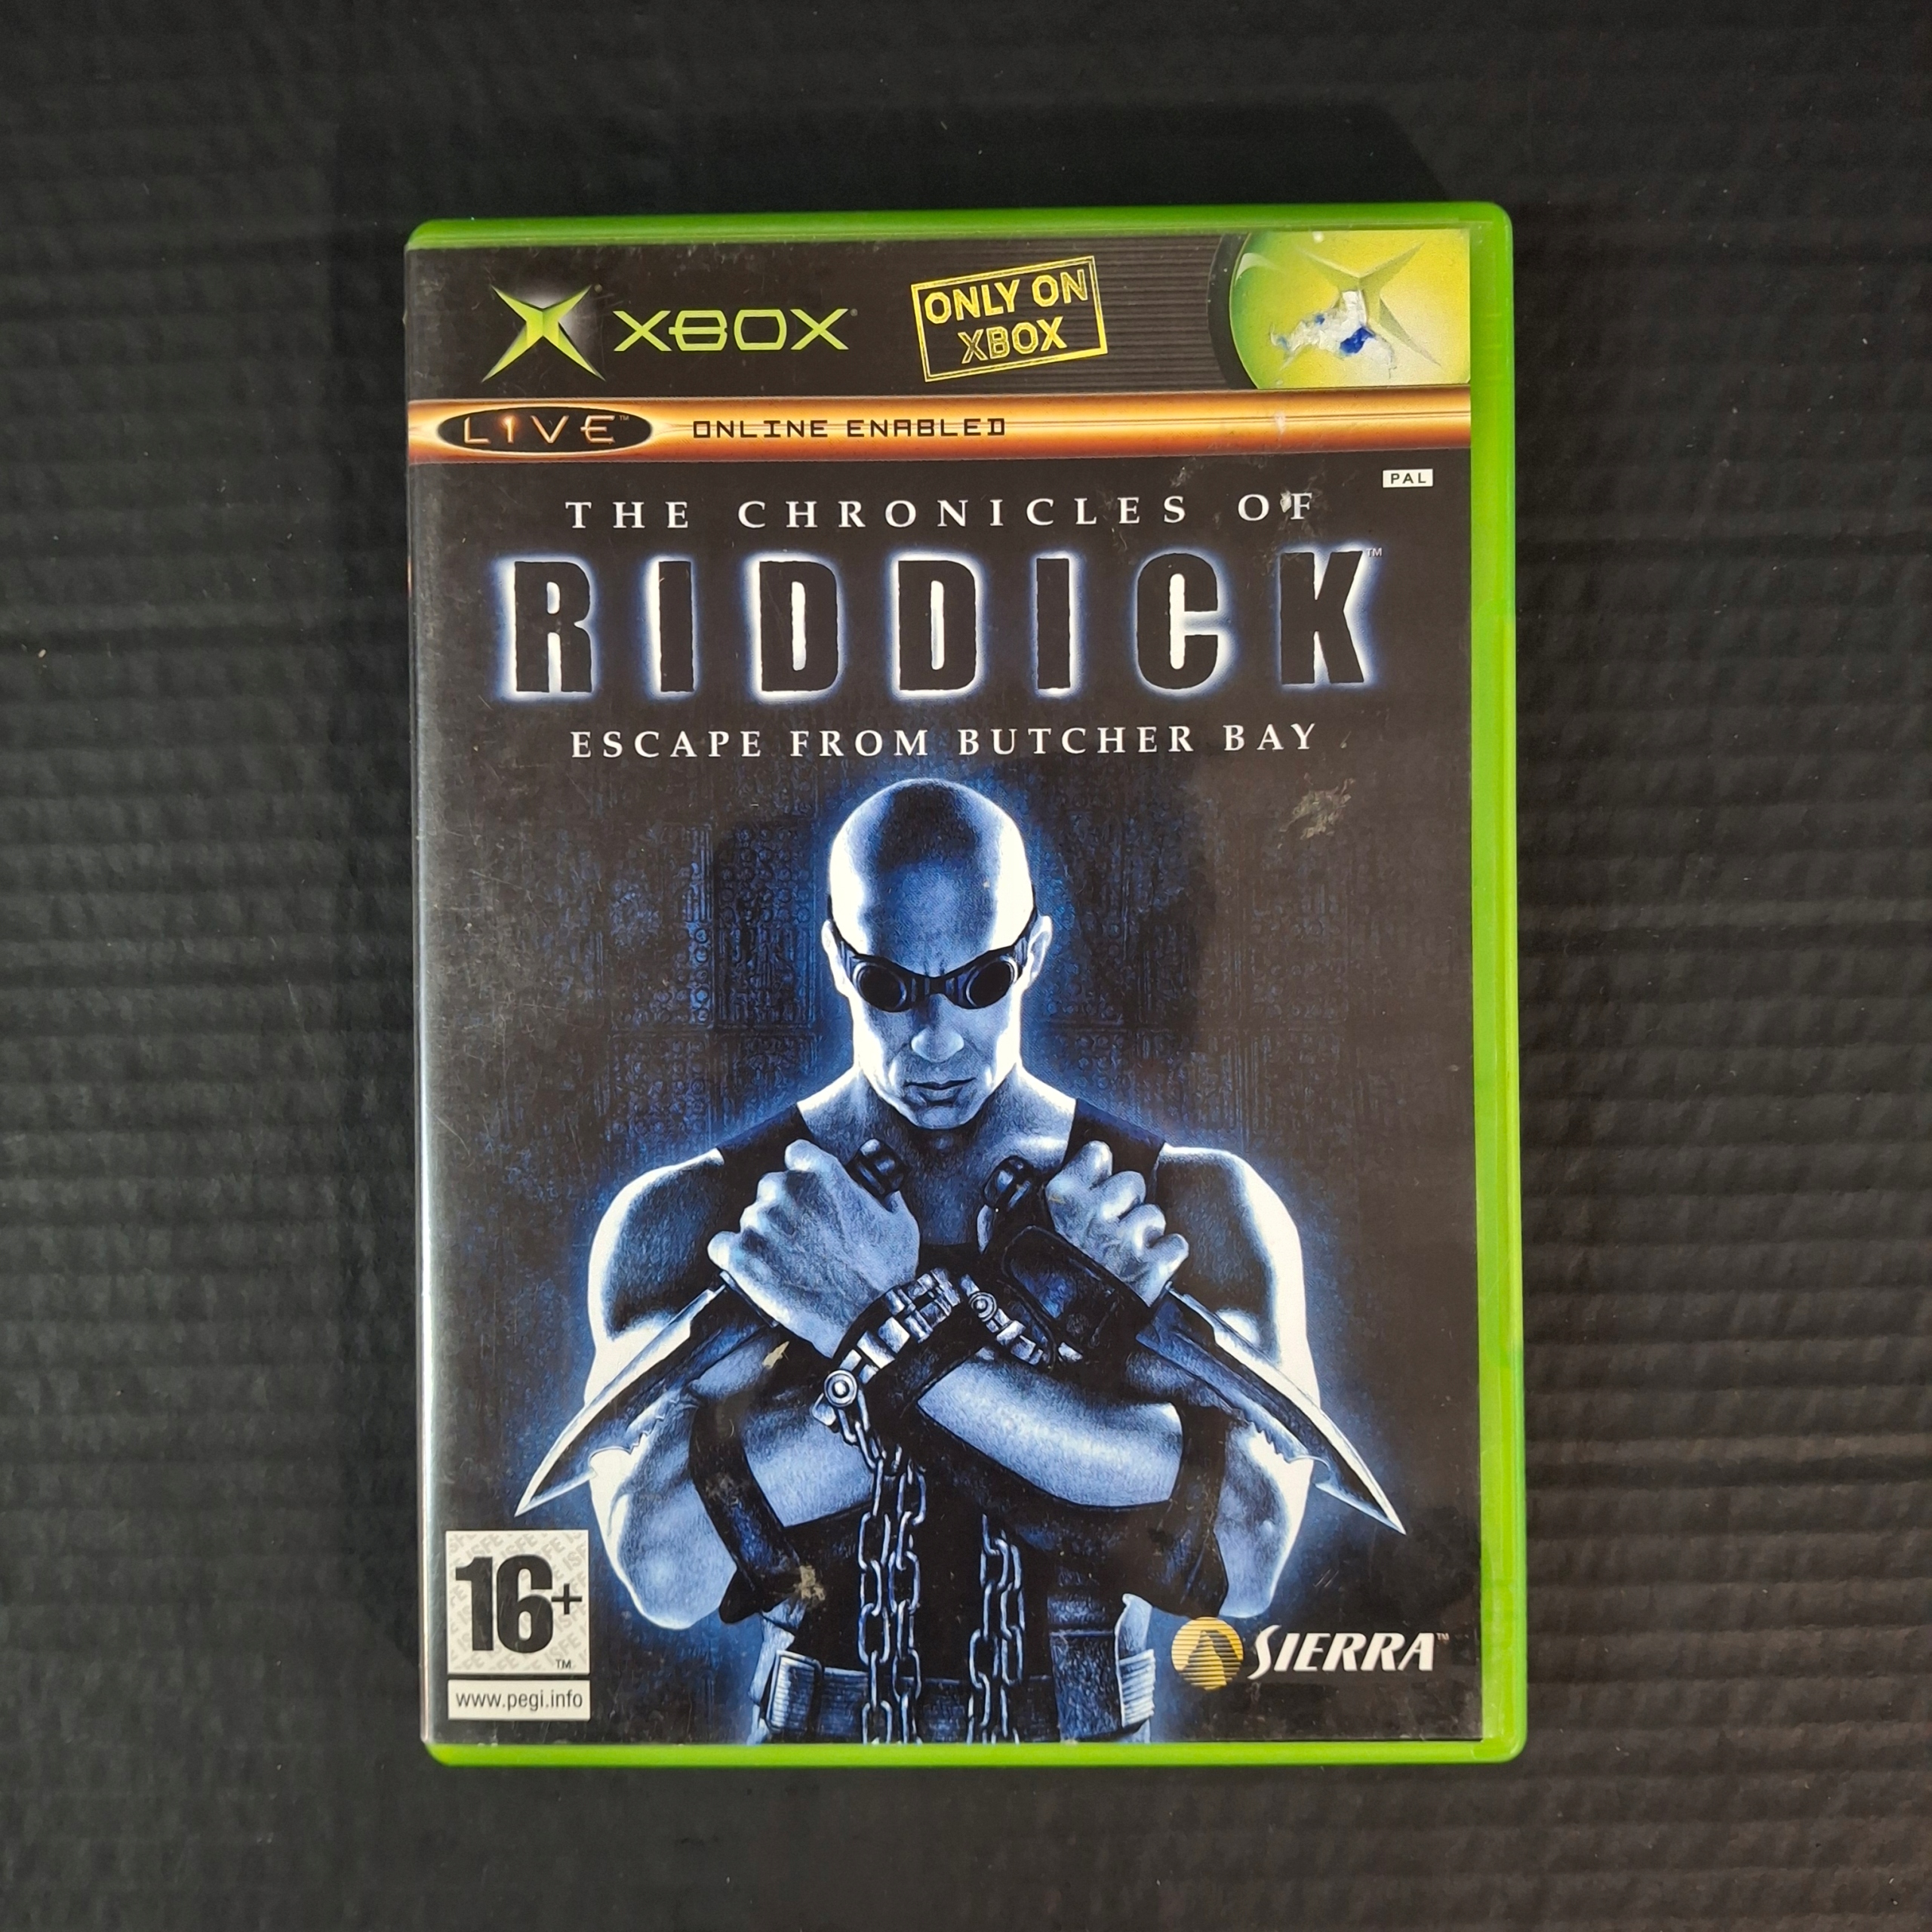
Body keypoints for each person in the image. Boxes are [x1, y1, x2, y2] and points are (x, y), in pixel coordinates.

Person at [582, 779, 1318, 1742]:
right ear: (838, 959)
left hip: (1088, 1780)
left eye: (980, 983)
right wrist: (1053, 1356)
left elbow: (1249, 1549)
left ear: (1033, 953)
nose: (935, 1040)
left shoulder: (1188, 1206)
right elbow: (664, 1568)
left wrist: (859, 1328)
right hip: (815, 1772)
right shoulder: (694, 1217)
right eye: (889, 987)